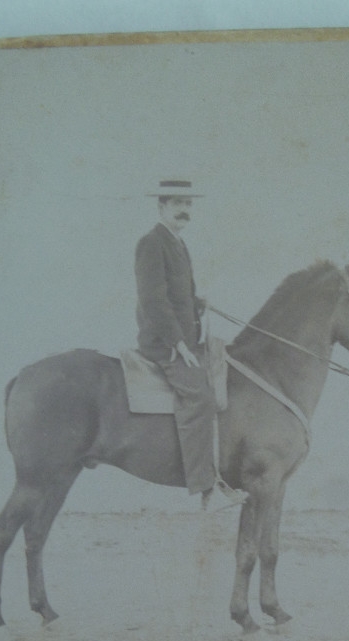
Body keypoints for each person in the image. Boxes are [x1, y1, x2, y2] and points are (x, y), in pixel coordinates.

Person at [135, 178, 246, 506]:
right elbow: (153, 300)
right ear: (161, 207)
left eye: (188, 204)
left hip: (183, 338)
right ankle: (207, 485)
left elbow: (174, 293)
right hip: (163, 344)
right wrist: (179, 345)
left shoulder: (177, 242)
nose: (184, 210)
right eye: (177, 204)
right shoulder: (151, 242)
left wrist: (197, 303)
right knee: (200, 396)